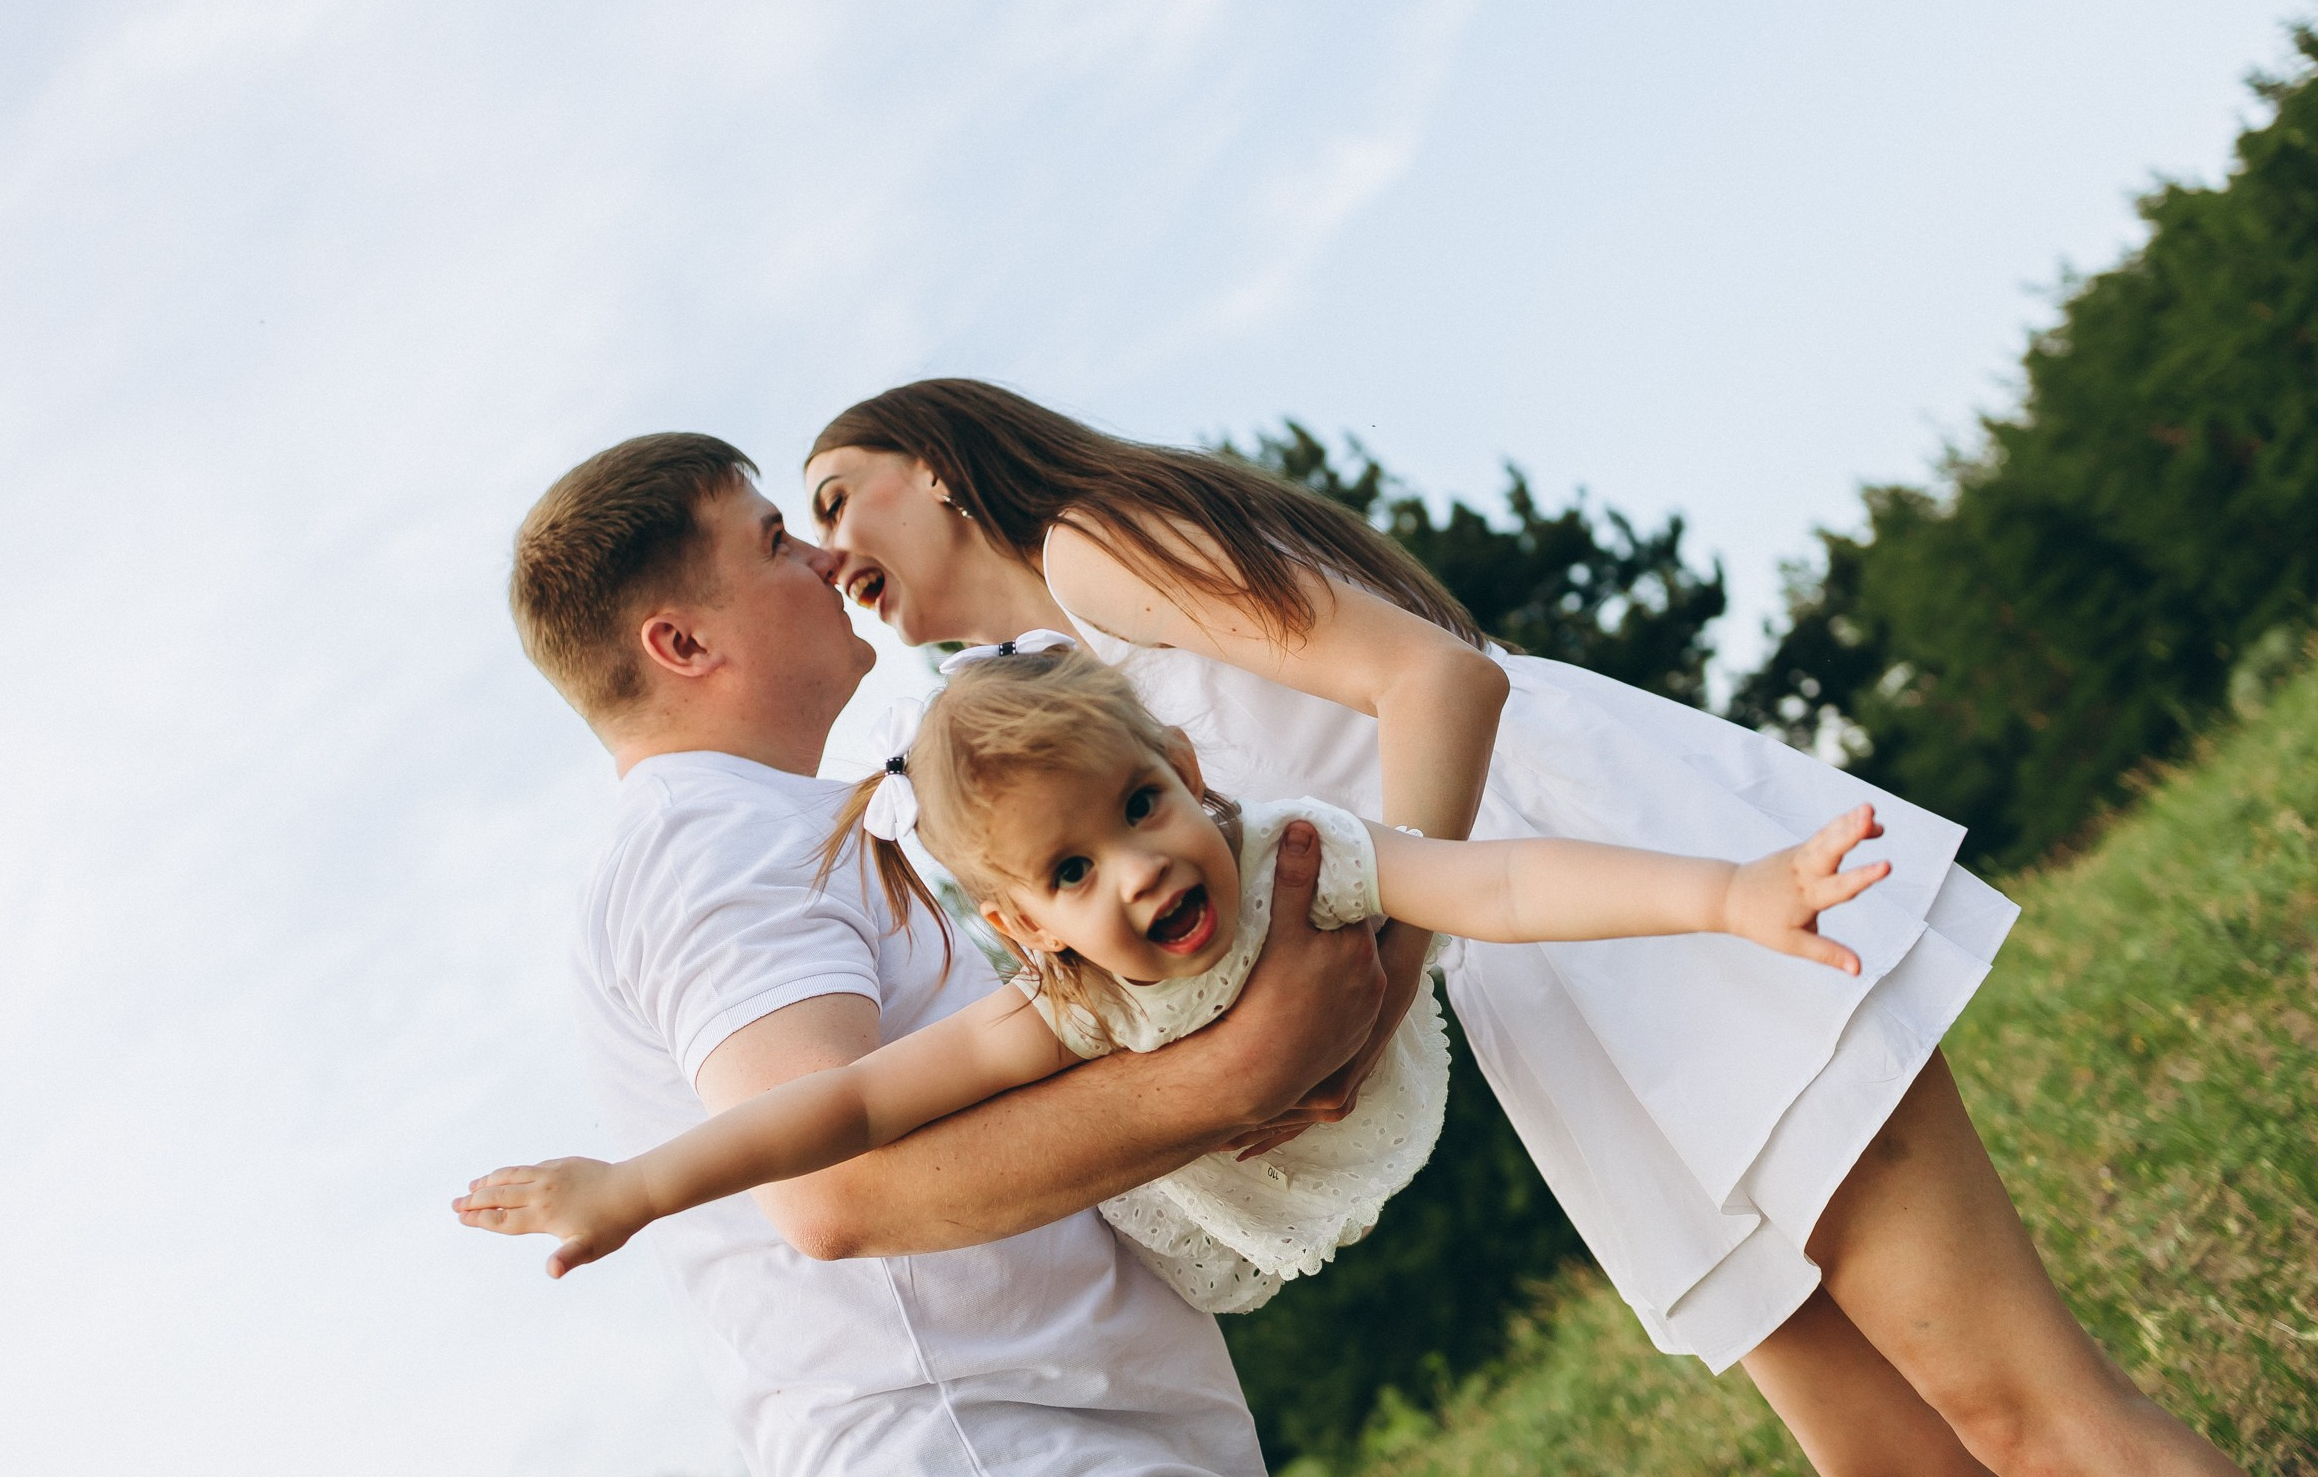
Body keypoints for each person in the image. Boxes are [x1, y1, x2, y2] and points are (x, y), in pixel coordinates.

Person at [798, 380, 2243, 1477]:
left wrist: (1380, 982)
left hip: (1606, 879)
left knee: (2018, 1408)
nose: (824, 548)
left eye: (835, 495)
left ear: (934, 462)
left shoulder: (1095, 544)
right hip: (1533, 970)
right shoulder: (1074, 677)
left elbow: (1441, 684)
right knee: (1884, 1453)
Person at [485, 430, 1403, 1477]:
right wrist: (1246, 1069)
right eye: (776, 541)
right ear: (683, 645)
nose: (827, 560)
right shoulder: (710, 842)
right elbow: (831, 1198)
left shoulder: (743, 827)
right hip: (981, 1440)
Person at [457, 643, 1890, 1311]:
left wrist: (1729, 895)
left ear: (1190, 774)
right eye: (1069, 875)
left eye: (1139, 809)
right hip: (1205, 1215)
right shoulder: (1060, 1007)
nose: (1135, 874)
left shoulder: (1298, 856)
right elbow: (841, 1113)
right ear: (1024, 931)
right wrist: (639, 1185)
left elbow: (1504, 883)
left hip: (1364, 1108)